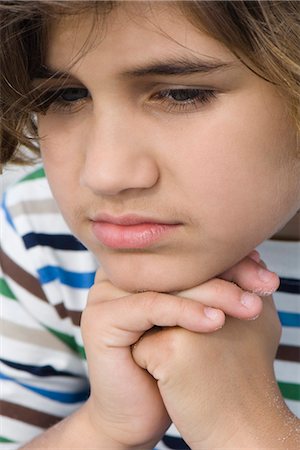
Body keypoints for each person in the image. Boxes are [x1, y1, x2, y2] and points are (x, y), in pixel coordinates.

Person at [0, 1, 299, 448]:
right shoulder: (40, 234)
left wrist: (245, 428)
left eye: (180, 93)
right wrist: (106, 428)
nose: (105, 174)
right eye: (65, 95)